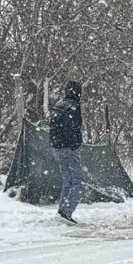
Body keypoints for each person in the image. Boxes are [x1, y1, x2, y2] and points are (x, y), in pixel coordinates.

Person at [49, 81, 84, 225]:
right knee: (78, 182)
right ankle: (66, 211)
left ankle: (62, 210)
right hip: (68, 148)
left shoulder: (59, 105)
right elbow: (72, 129)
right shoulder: (73, 107)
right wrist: (75, 144)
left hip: (56, 147)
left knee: (67, 181)